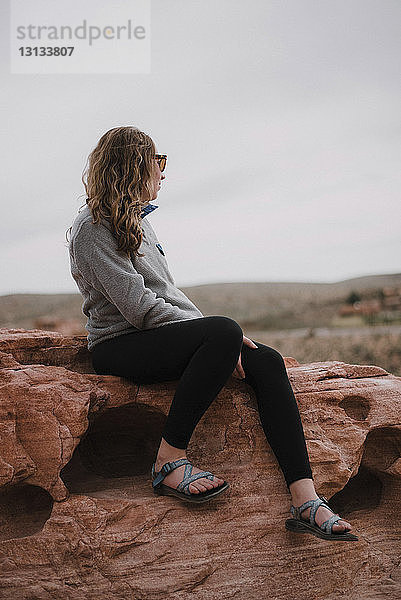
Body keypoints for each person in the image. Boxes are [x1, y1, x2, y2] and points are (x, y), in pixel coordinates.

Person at [66, 126, 357, 541]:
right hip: (120, 344)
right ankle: (169, 461)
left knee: (267, 360)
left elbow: (171, 298)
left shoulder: (138, 223)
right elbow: (140, 308)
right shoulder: (92, 228)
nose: (164, 173)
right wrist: (215, 338)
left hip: (156, 333)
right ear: (134, 165)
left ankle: (305, 499)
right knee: (224, 331)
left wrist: (220, 344)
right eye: (159, 161)